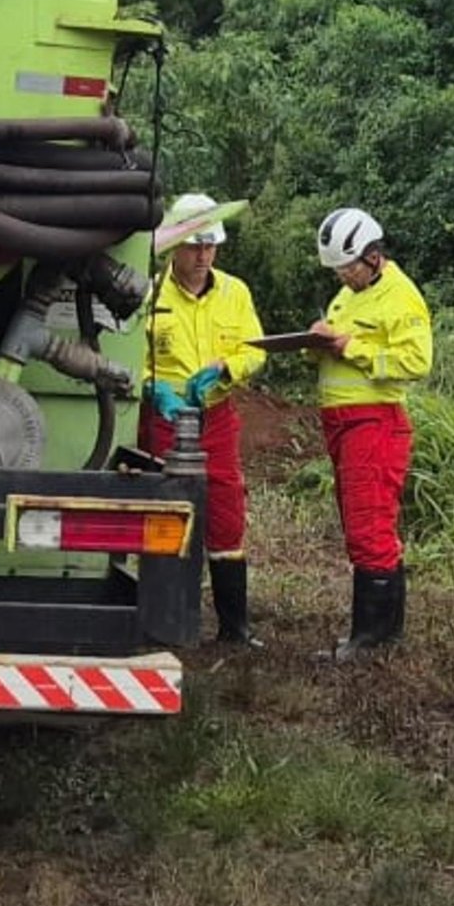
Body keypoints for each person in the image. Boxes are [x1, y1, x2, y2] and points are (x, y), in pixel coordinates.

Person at [305, 207, 436, 655]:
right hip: (340, 422)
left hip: (374, 421)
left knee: (369, 526)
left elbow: (416, 362)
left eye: (348, 267)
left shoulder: (401, 297)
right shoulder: (348, 296)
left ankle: (372, 639)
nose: (342, 276)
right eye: (337, 269)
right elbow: (340, 351)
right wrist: (318, 343)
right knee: (356, 524)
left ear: (374, 255)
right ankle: (377, 635)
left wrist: (351, 347)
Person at [142, 190, 267, 644]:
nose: (203, 256)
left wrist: (225, 368)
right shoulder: (149, 293)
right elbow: (126, 356)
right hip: (165, 421)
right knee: (167, 514)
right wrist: (154, 389)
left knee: (227, 512)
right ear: (176, 245)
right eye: (195, 246)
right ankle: (167, 622)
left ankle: (235, 629)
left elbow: (255, 350)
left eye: (210, 246)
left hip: (216, 417)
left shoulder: (234, 292)